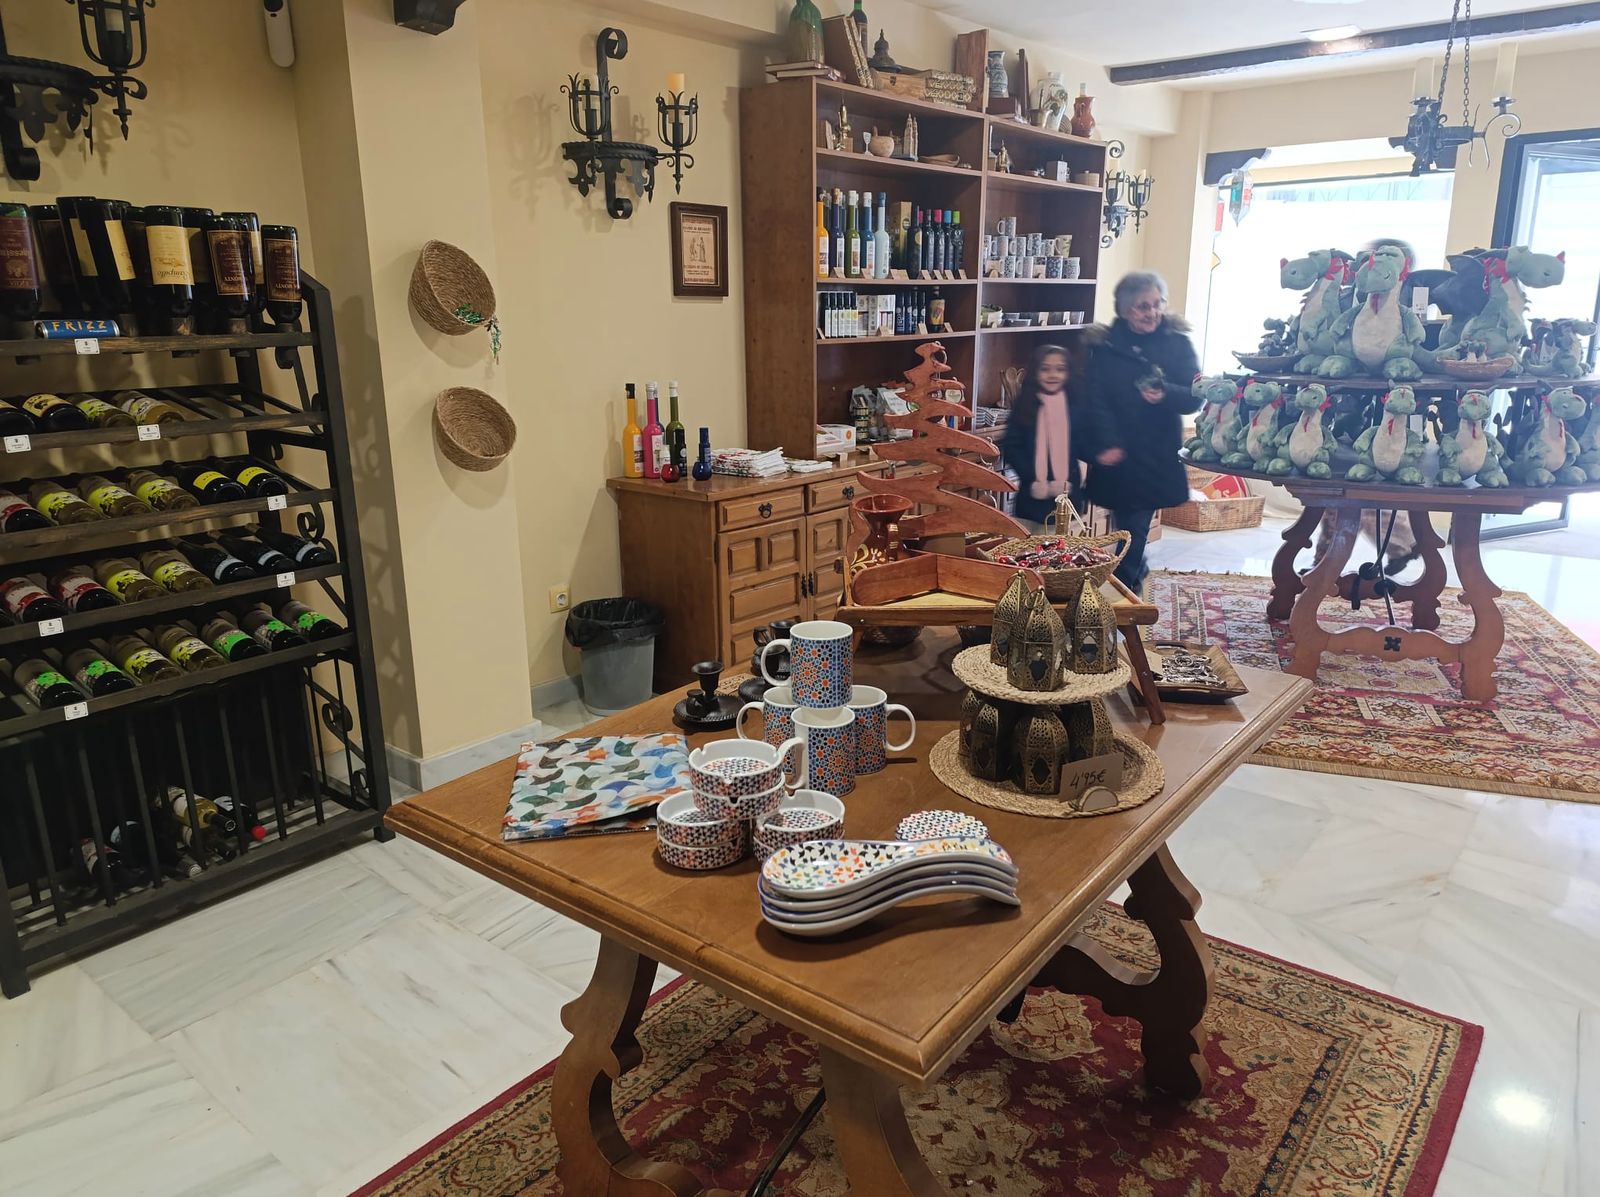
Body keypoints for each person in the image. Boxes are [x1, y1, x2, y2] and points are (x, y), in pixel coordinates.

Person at [1074, 271, 1202, 594]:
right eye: (1143, 306)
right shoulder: (1104, 347)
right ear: (1125, 309)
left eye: (1157, 304)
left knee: (1133, 528)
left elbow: (1196, 394)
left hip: (1154, 457)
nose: (1152, 313)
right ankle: (1135, 571)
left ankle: (1123, 596)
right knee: (1128, 528)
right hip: (1117, 454)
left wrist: (1167, 393)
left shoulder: (1177, 344)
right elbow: (1094, 399)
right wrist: (1105, 443)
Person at [1001, 343, 1075, 529]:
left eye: (1060, 369)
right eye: (1045, 369)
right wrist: (1034, 478)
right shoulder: (1025, 405)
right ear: (1035, 372)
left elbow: (1084, 444)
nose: (1053, 375)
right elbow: (1011, 448)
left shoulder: (1074, 405)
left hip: (1067, 501)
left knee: (1066, 554)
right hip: (1032, 500)